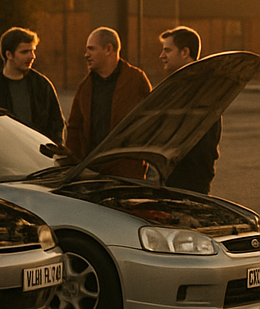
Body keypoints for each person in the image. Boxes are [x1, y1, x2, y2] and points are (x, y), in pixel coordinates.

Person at [65, 27, 151, 176]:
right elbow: (74, 130)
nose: (86, 54)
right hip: (92, 173)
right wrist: (71, 167)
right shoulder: (85, 87)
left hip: (127, 174)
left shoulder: (136, 80)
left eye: (91, 49)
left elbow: (151, 123)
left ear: (108, 49)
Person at [159, 25, 221, 194]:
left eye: (167, 50)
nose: (161, 56)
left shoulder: (202, 87)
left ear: (185, 52)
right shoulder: (177, 86)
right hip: (174, 176)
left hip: (191, 178)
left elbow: (205, 141)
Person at [0, 27, 65, 143]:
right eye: (24, 52)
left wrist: (54, 150)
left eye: (32, 51)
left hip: (38, 152)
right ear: (9, 55)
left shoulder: (42, 85)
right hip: (4, 151)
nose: (32, 56)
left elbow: (57, 124)